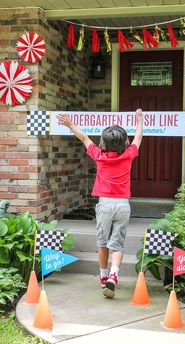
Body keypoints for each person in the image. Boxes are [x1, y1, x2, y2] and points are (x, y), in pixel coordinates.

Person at [57, 109, 143, 298]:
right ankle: (114, 274)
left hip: (104, 205)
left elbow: (84, 138)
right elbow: (138, 138)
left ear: (104, 143)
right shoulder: (128, 155)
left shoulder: (99, 155)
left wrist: (70, 123)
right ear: (124, 143)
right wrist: (139, 120)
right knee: (118, 244)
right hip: (123, 206)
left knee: (103, 242)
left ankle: (104, 278)